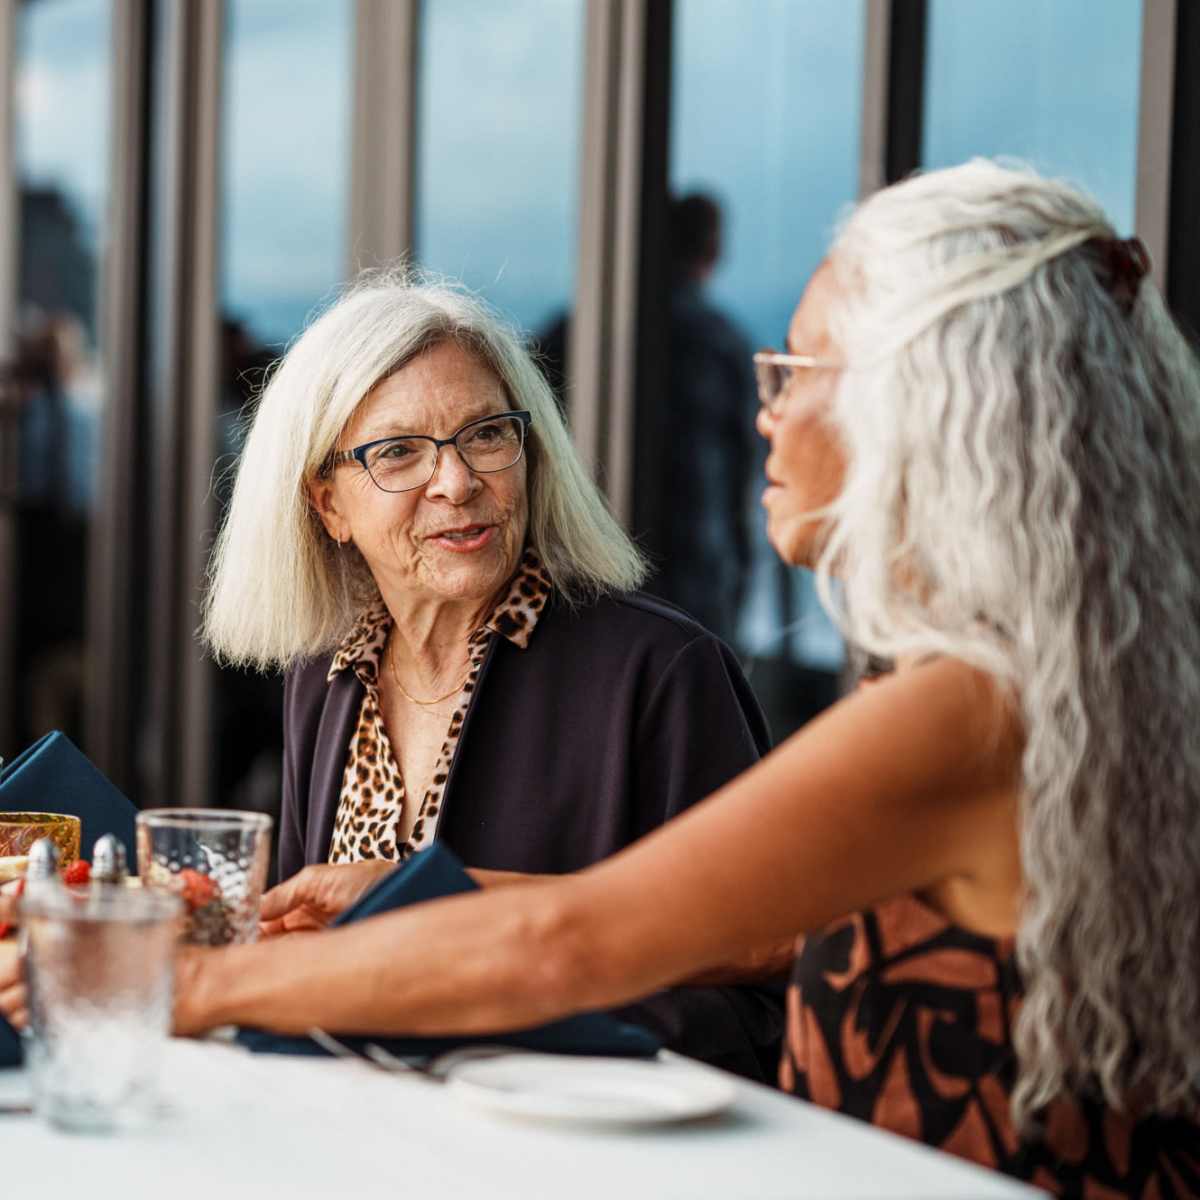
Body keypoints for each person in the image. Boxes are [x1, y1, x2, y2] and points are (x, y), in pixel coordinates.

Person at [9, 161, 1200, 1193]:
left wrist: (184, 983)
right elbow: (756, 921)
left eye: (804, 370)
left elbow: (576, 947)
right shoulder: (1048, 691)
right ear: (325, 498)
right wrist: (408, 888)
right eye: (398, 453)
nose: (764, 413)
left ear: (936, 417)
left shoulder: (959, 710)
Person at [199, 272, 778, 1080]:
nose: (458, 481)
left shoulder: (660, 671)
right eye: (398, 452)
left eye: (486, 435)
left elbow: (765, 951)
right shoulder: (323, 678)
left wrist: (488, 1001)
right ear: (328, 504)